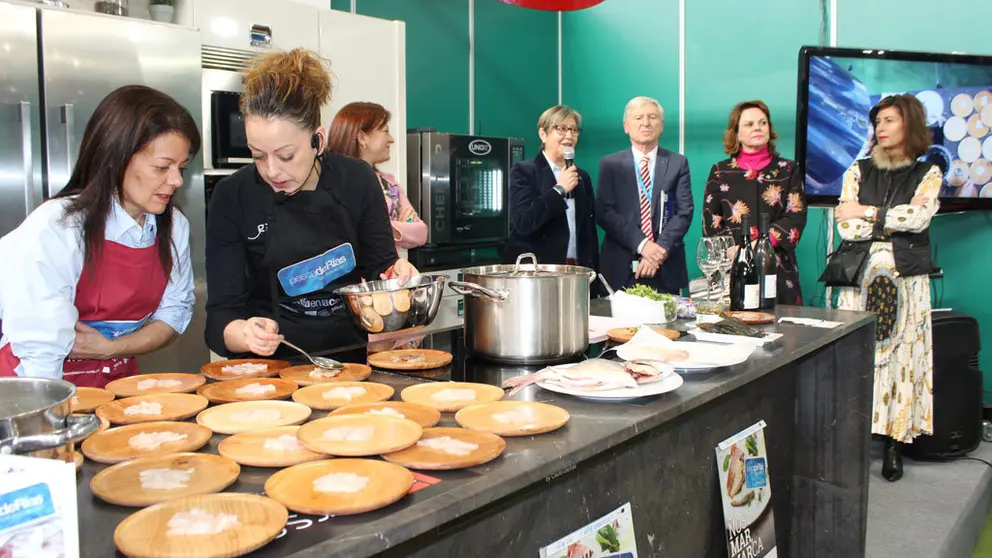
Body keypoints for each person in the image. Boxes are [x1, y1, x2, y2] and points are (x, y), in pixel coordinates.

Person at [205, 49, 417, 359]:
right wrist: (244, 333)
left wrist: (397, 274)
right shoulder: (232, 195)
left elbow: (380, 269)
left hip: (347, 363)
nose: (272, 171)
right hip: (267, 375)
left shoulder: (356, 179)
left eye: (286, 155)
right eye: (258, 155)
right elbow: (220, 318)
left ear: (318, 139)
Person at [0, 86, 198, 386]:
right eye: (162, 167)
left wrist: (111, 349)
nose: (176, 180)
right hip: (36, 386)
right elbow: (40, 353)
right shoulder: (58, 226)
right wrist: (47, 422)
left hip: (115, 383)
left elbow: (173, 315)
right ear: (115, 157)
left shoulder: (174, 226)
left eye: (181, 167)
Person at [834, 94, 941, 482]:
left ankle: (894, 443)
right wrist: (885, 220)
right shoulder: (858, 170)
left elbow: (918, 217)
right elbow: (845, 226)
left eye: (890, 120)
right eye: (878, 121)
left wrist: (867, 212)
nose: (881, 127)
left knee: (901, 359)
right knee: (858, 356)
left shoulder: (928, 173)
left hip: (906, 280)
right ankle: (853, 437)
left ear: (909, 125)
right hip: (859, 278)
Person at [702, 100, 807, 304]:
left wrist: (757, 244)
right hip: (732, 269)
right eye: (749, 124)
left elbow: (795, 219)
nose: (757, 127)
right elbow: (711, 226)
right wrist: (732, 252)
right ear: (737, 133)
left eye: (762, 123)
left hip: (778, 271)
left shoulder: (788, 170)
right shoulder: (720, 171)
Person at [596, 96, 693, 295]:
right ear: (626, 126)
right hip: (621, 267)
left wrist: (657, 252)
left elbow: (684, 212)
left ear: (662, 125)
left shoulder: (677, 163)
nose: (646, 123)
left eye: (652, 117)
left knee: (667, 326)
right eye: (638, 117)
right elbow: (604, 212)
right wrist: (643, 245)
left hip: (665, 265)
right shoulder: (610, 164)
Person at [505, 105, 599, 272]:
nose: (569, 136)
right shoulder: (524, 171)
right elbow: (524, 222)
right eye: (561, 129)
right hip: (539, 270)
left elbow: (589, 232)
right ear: (543, 134)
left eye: (574, 130)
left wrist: (594, 275)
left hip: (577, 270)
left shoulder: (582, 177)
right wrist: (559, 189)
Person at [327, 102, 427, 252]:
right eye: (385, 131)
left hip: (387, 274)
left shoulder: (389, 183)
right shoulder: (330, 181)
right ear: (362, 137)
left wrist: (380, 228)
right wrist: (396, 226)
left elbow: (421, 233)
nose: (391, 139)